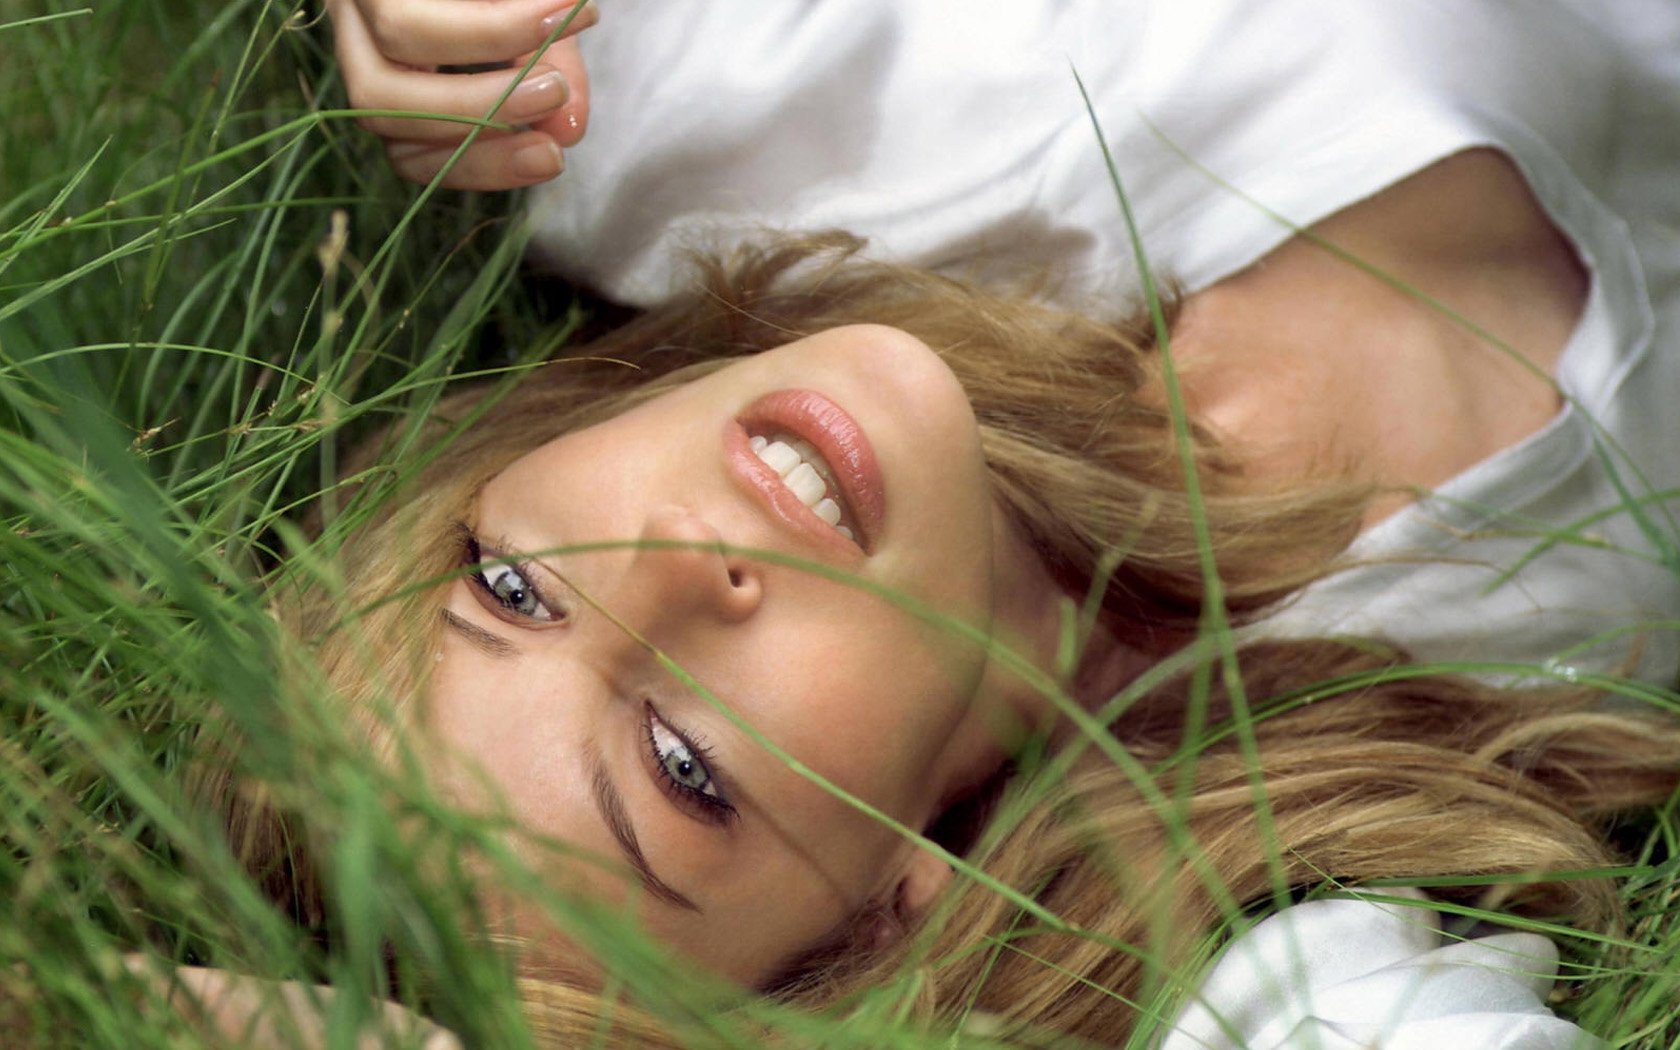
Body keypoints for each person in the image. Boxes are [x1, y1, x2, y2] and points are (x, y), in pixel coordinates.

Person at [262, 0, 1680, 1043]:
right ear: (893, 904)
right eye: (685, 764)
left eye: (515, 584)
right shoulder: (1313, 883)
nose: (673, 558)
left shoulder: (652, 119)